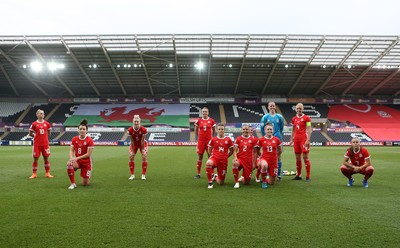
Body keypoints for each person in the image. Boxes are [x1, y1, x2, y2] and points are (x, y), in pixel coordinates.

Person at [67, 119, 94, 190]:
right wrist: (71, 158)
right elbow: (71, 150)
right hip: (78, 161)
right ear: (78, 130)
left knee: (85, 184)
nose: (82, 130)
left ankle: (87, 175)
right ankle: (73, 183)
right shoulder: (74, 139)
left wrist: (77, 158)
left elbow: (88, 154)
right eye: (80, 129)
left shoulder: (90, 140)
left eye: (84, 129)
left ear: (86, 131)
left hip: (87, 162)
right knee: (69, 164)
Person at [260, 102, 284, 180]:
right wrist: (267, 136)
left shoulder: (279, 117)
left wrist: (276, 134)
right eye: (271, 106)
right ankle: (266, 173)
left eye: (273, 106)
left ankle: (278, 174)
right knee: (266, 155)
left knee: (278, 156)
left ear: (275, 107)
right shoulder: (265, 117)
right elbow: (262, 128)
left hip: (277, 138)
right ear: (268, 107)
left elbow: (281, 128)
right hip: (267, 139)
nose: (272, 107)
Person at [206, 123, 234, 189]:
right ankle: (210, 182)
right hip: (214, 158)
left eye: (222, 129)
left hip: (223, 161)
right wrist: (211, 156)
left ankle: (215, 177)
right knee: (208, 163)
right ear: (217, 130)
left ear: (224, 130)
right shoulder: (213, 139)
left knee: (221, 182)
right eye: (219, 129)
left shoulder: (228, 140)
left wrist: (226, 156)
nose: (220, 130)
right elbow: (209, 149)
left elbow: (232, 150)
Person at [289, 103, 312, 182]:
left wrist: (308, 140)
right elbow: (293, 130)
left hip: (303, 140)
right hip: (296, 140)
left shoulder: (307, 118)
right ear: (296, 109)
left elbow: (309, 129)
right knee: (297, 158)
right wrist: (291, 139)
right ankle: (298, 175)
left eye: (300, 108)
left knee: (305, 157)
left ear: (303, 109)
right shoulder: (293, 119)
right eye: (297, 108)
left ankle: (308, 176)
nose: (299, 110)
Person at [28, 109, 53, 179]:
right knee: (35, 159)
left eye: (43, 113)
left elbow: (49, 132)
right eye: (41, 113)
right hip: (37, 144)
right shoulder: (34, 124)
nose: (42, 114)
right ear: (37, 115)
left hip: (45, 144)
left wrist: (45, 136)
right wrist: (35, 136)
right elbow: (30, 133)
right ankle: (34, 174)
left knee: (46, 159)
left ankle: (47, 173)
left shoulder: (47, 124)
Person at [232, 124, 258, 188]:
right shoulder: (238, 139)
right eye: (244, 129)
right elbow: (235, 150)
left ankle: (243, 177)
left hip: (249, 161)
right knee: (235, 163)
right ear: (241, 130)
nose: (245, 130)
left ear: (249, 130)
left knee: (246, 182)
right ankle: (236, 182)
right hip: (240, 159)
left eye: (247, 129)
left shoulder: (253, 139)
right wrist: (235, 157)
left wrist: (254, 163)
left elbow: (255, 152)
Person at [257, 123, 282, 188]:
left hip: (273, 161)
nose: (269, 131)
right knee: (264, 165)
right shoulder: (261, 139)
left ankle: (266, 177)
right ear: (265, 130)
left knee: (272, 182)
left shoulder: (276, 139)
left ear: (273, 130)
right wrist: (260, 156)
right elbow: (257, 150)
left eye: (271, 129)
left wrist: (276, 156)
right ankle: (264, 182)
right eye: (268, 129)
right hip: (264, 159)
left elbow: (280, 150)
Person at [194, 107, 216, 179]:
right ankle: (198, 173)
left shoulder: (212, 121)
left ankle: (212, 173)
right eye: (203, 112)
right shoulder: (198, 121)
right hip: (201, 141)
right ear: (202, 113)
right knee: (200, 156)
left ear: (208, 112)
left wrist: (210, 137)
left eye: (206, 112)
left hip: (209, 141)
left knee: (210, 156)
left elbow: (214, 131)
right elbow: (196, 131)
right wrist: (201, 137)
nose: (204, 113)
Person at [127, 115, 149, 180]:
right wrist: (133, 151)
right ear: (133, 121)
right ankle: (132, 175)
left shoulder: (143, 129)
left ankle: (143, 175)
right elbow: (132, 141)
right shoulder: (130, 130)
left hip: (142, 144)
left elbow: (142, 140)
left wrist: (143, 150)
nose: (136, 123)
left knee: (144, 157)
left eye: (137, 121)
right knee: (131, 157)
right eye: (135, 121)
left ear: (140, 121)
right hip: (134, 144)